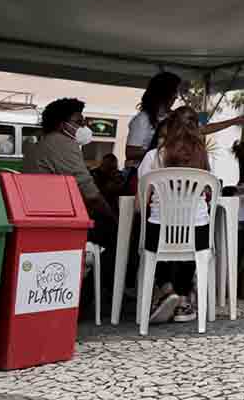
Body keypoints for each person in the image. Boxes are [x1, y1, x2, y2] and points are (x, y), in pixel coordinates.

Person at [25, 97, 117, 310]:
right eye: (78, 121)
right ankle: (92, 296)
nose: (83, 127)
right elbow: (90, 192)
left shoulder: (40, 143)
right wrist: (113, 215)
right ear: (61, 123)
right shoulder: (62, 144)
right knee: (119, 236)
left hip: (39, 216)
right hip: (59, 221)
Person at [137, 106, 214, 323]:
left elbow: (140, 202)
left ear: (169, 128)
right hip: (197, 233)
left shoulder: (153, 156)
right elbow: (208, 194)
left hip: (159, 231)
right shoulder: (205, 159)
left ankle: (166, 289)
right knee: (192, 239)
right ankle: (182, 300)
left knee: (150, 231)